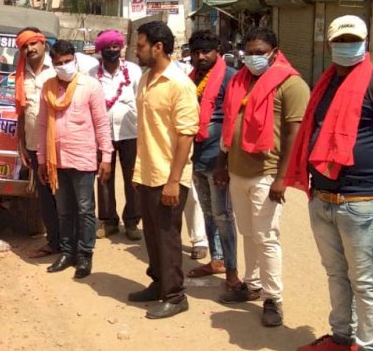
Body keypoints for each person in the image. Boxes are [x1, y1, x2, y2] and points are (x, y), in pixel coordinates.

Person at [286, 15, 373, 351]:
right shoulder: (325, 83)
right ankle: (342, 337)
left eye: (353, 39)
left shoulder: (372, 81)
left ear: (366, 41)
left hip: (361, 198)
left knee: (366, 282)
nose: (347, 45)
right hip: (322, 196)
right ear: (329, 44)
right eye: (341, 40)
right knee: (336, 274)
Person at [214, 27, 310, 327]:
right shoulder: (240, 80)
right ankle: (252, 284)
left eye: (260, 53)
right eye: (249, 52)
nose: (253, 58)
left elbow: (295, 134)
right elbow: (230, 124)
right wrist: (222, 163)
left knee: (267, 237)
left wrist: (283, 177)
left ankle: (273, 298)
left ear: (274, 52)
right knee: (248, 233)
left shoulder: (290, 84)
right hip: (237, 170)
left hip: (267, 173)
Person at [128, 21, 199, 319]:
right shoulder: (145, 79)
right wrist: (138, 171)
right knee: (153, 236)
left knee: (168, 239)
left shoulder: (180, 84)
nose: (136, 50)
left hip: (168, 176)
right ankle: (158, 284)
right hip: (147, 172)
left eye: (141, 45)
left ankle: (174, 295)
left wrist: (173, 181)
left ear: (158, 47)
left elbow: (186, 134)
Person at [36, 40, 112, 279]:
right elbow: (41, 124)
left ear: (75, 60)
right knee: (64, 210)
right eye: (58, 63)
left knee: (85, 209)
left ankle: (84, 255)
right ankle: (67, 252)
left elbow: (101, 123)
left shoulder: (90, 86)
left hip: (83, 158)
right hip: (55, 160)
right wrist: (41, 158)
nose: (64, 66)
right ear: (53, 64)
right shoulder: (48, 87)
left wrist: (106, 156)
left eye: (67, 61)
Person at [185, 30, 242, 293]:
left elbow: (234, 121)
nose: (201, 56)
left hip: (218, 158)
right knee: (208, 213)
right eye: (196, 52)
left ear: (217, 50)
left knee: (223, 215)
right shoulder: (192, 78)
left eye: (206, 51)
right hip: (197, 155)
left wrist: (225, 161)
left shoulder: (230, 77)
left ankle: (232, 270)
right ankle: (216, 260)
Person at [89, 29, 143, 241]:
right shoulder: (92, 74)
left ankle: (132, 221)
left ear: (121, 48)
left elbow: (141, 98)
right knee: (104, 177)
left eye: (115, 47)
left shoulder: (134, 70)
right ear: (100, 51)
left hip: (131, 131)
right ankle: (108, 221)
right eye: (107, 48)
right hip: (103, 134)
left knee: (133, 178)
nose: (112, 51)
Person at [15, 26, 59, 258]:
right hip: (34, 144)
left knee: (64, 197)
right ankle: (54, 242)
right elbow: (23, 111)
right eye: (24, 46)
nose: (29, 48)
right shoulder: (22, 74)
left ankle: (73, 247)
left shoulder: (57, 70)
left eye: (33, 43)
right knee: (45, 199)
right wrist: (21, 142)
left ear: (43, 43)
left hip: (59, 145)